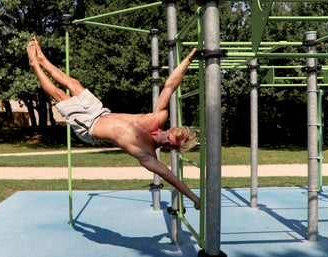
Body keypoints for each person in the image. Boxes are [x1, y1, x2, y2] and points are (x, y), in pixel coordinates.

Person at [27, 37, 200, 210]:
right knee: (74, 83)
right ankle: (43, 59)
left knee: (59, 95)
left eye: (170, 146)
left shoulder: (147, 155)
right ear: (168, 130)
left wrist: (194, 198)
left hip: (89, 127)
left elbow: (172, 178)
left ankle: (34, 64)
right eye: (171, 139)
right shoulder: (157, 117)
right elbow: (170, 86)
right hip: (101, 112)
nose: (168, 143)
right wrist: (188, 60)